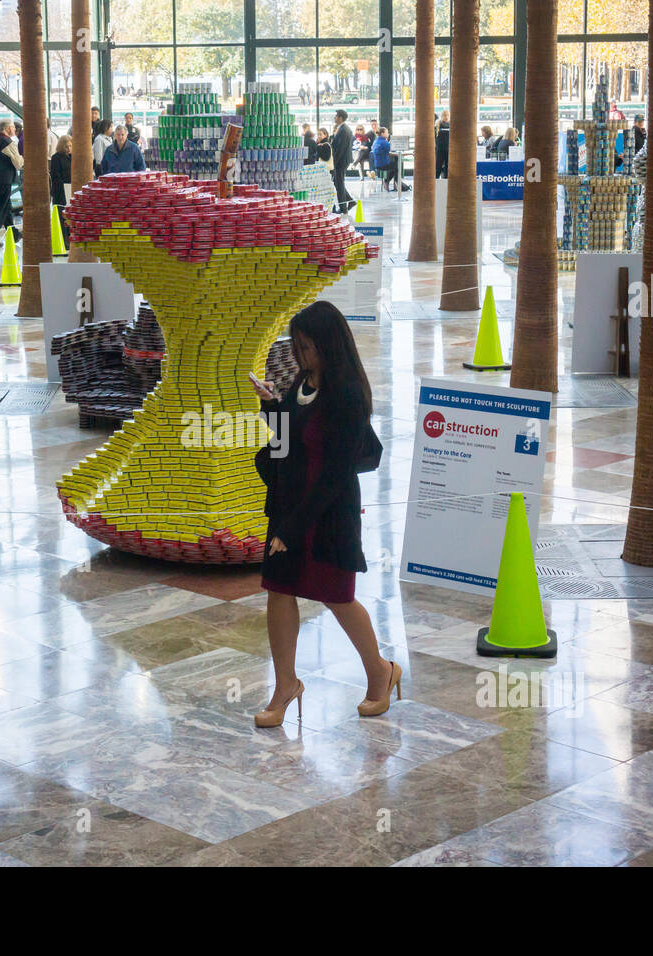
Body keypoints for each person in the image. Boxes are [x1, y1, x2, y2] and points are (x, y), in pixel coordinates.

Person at [249, 300, 390, 729]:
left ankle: (380, 672)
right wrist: (272, 406)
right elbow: (291, 437)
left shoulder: (346, 394)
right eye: (297, 346)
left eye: (307, 347)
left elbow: (334, 474)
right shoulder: (303, 381)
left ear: (328, 345)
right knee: (279, 589)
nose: (300, 355)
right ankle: (285, 685)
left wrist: (292, 528)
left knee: (337, 596)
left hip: (326, 514)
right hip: (291, 502)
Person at [50, 134, 73, 248]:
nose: (69, 149)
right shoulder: (56, 158)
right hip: (60, 192)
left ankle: (70, 238)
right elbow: (55, 176)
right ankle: (63, 240)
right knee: (61, 216)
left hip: (70, 190)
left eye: (70, 146)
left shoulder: (72, 157)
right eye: (66, 146)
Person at [330, 109, 354, 213]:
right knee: (338, 182)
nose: (334, 118)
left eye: (336, 116)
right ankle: (350, 201)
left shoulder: (343, 130)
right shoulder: (344, 128)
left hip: (341, 161)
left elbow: (340, 149)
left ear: (340, 118)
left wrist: (334, 163)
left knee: (339, 183)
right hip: (344, 160)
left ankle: (343, 208)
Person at [435, 110, 450, 178]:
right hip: (440, 149)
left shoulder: (451, 124)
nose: (446, 117)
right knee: (438, 166)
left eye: (447, 115)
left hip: (449, 149)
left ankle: (446, 181)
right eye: (444, 115)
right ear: (441, 116)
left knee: (448, 166)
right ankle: (435, 181)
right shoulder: (438, 124)